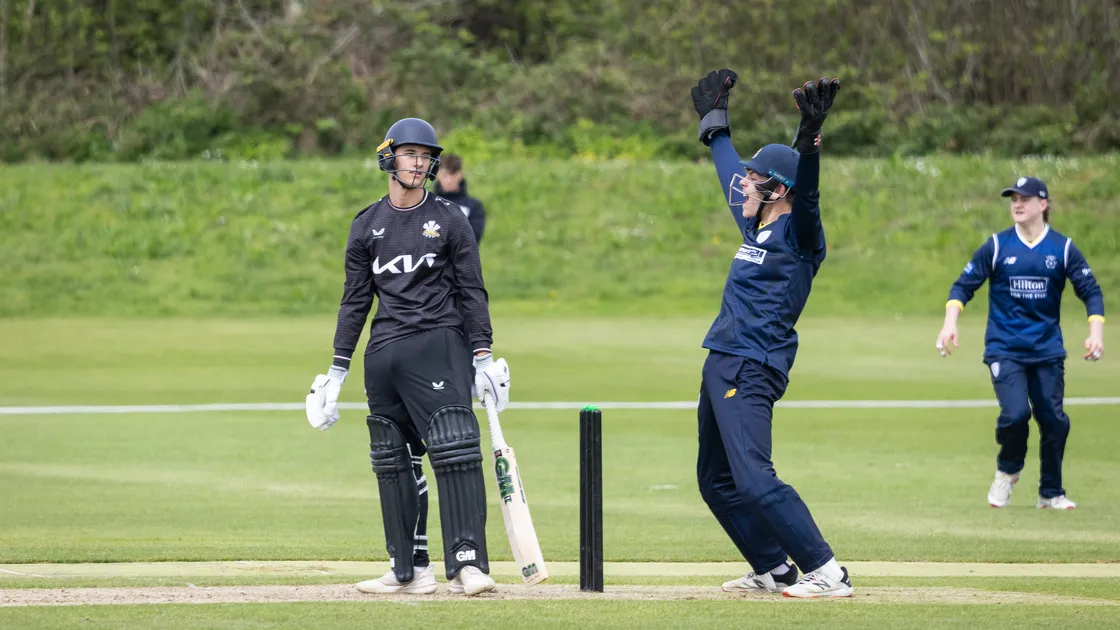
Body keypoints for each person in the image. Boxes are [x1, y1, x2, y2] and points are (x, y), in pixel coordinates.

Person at [304, 117, 512, 596]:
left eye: (426, 156)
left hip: (439, 343)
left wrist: (483, 355)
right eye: (410, 154)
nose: (419, 164)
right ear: (389, 157)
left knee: (455, 448)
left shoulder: (451, 219)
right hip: (383, 352)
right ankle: (409, 569)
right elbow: (355, 300)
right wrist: (336, 370)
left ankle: (467, 565)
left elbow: (472, 290)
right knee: (392, 458)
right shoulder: (365, 225)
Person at [689, 69, 853, 598]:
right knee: (715, 481)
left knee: (755, 479)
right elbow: (729, 175)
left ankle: (827, 571)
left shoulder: (800, 235)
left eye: (754, 178)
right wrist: (715, 126)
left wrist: (809, 141)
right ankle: (773, 568)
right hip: (722, 358)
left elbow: (809, 199)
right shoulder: (755, 223)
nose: (742, 183)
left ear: (778, 189)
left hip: (753, 363)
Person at [935, 176, 1104, 511]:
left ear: (1043, 204)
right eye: (1013, 199)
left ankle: (1051, 493)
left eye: (1025, 199)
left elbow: (1091, 291)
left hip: (1047, 349)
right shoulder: (997, 246)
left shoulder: (1062, 248)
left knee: (1053, 420)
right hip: (1005, 348)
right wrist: (949, 323)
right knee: (1015, 415)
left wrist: (1095, 332)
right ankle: (1008, 471)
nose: (1017, 204)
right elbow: (963, 285)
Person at [434, 153, 488, 246]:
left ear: (460, 174)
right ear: (438, 174)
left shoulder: (473, 206)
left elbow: (473, 239)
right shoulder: (428, 203)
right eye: (445, 175)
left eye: (453, 174)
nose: (449, 180)